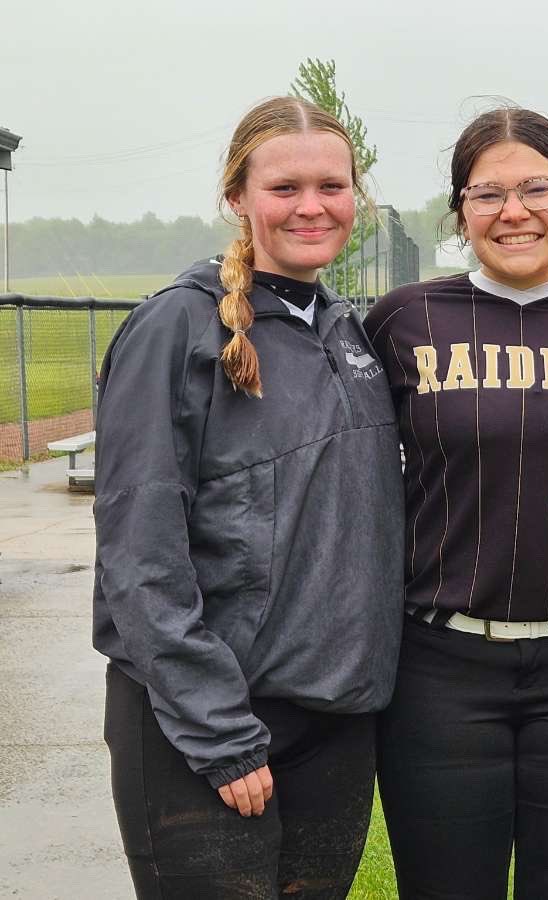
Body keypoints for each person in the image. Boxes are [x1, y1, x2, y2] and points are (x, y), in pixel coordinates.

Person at [93, 96, 406, 900]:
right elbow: (139, 550)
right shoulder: (177, 328)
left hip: (332, 722)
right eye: (284, 187)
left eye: (332, 186)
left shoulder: (343, 329)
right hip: (207, 725)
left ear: (356, 197)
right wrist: (220, 731)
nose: (312, 207)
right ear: (238, 197)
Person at [364, 106, 548, 900]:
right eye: (486, 193)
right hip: (441, 660)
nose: (514, 211)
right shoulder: (404, 319)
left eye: (537, 187)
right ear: (460, 211)